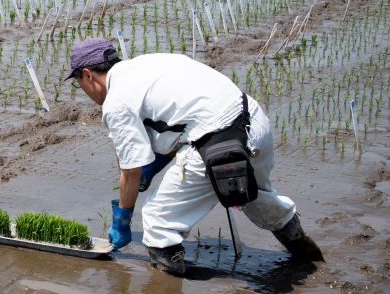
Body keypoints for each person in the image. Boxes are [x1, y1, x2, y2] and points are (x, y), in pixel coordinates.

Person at [65, 37, 323, 276]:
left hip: (218, 142)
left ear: (87, 75)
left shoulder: (117, 102)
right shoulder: (150, 62)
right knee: (252, 194)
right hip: (253, 122)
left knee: (158, 222)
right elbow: (183, 120)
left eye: (79, 84)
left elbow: (130, 173)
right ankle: (309, 257)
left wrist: (122, 221)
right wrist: (153, 167)